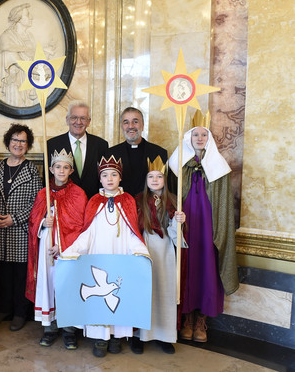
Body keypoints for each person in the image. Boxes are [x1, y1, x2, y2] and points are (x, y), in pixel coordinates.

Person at [62, 156, 150, 358]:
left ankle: (117, 337)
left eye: (114, 174)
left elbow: (132, 232)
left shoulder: (127, 201)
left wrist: (140, 251)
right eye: (104, 175)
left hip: (120, 257)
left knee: (118, 296)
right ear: (99, 179)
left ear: (120, 178)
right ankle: (101, 338)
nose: (109, 178)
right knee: (101, 298)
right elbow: (87, 233)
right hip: (98, 258)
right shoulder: (94, 202)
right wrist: (72, 251)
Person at [168, 111, 238, 343]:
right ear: (188, 138)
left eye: (203, 134)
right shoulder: (179, 166)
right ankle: (186, 318)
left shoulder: (219, 167)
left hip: (209, 228)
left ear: (209, 139)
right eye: (195, 134)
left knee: (206, 269)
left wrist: (219, 231)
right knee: (186, 269)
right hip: (186, 227)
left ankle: (201, 322)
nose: (199, 138)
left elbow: (225, 204)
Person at [25, 149, 87, 349]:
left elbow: (80, 226)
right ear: (51, 169)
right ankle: (50, 327)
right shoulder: (43, 193)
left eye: (66, 167)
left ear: (71, 170)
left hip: (67, 250)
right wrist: (44, 221)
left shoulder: (78, 194)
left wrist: (62, 245)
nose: (61, 170)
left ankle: (69, 331)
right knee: (48, 284)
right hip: (45, 248)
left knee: (67, 285)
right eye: (57, 167)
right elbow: (33, 220)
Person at [0, 124, 42, 331]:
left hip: (21, 231)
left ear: (28, 145)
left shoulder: (32, 170)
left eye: (23, 141)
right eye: (15, 140)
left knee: (20, 275)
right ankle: (4, 308)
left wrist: (15, 219)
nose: (18, 144)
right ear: (8, 142)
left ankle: (20, 312)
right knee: (3, 273)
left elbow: (37, 203)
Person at [132, 156, 186, 354]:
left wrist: (178, 221)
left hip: (165, 250)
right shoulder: (139, 200)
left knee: (164, 290)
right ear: (146, 180)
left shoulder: (172, 201)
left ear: (165, 180)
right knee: (143, 291)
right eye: (151, 176)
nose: (155, 180)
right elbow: (134, 226)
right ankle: (139, 335)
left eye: (159, 176)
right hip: (145, 247)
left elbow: (176, 234)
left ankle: (164, 335)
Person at [47, 101, 109, 199]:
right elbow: (47, 180)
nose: (78, 122)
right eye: (74, 117)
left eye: (83, 118)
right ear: (67, 120)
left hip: (92, 204)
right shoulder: (52, 145)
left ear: (89, 122)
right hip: (63, 204)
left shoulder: (101, 145)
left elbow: (105, 177)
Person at [107, 107, 168, 196]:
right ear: (122, 126)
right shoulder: (110, 154)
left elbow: (166, 189)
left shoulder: (159, 153)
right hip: (121, 206)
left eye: (135, 122)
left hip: (149, 207)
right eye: (126, 122)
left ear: (142, 125)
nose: (131, 126)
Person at [0, 3, 37, 107]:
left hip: (29, 83)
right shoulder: (7, 37)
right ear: (19, 18)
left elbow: (34, 57)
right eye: (27, 15)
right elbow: (18, 62)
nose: (31, 17)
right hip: (15, 83)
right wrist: (39, 72)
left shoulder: (30, 37)